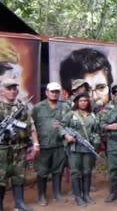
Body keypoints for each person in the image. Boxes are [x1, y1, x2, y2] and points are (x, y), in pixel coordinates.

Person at [0, 78, 40, 211]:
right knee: (1, 176)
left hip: (20, 147)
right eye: (9, 88)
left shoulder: (21, 106)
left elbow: (31, 125)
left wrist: (36, 144)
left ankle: (19, 202)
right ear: (2, 91)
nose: (12, 91)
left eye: (14, 88)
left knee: (19, 175)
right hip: (2, 149)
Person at [32, 82, 71, 206]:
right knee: (42, 171)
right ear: (46, 92)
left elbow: (70, 123)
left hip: (60, 144)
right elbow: (32, 126)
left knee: (58, 170)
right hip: (44, 145)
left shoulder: (65, 107)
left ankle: (57, 193)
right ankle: (41, 196)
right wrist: (35, 143)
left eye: (56, 92)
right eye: (52, 91)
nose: (54, 94)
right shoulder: (38, 107)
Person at [60, 93, 100, 207]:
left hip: (88, 148)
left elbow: (96, 130)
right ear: (77, 102)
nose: (83, 103)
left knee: (87, 171)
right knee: (76, 172)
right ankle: (78, 197)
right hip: (75, 148)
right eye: (81, 101)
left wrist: (96, 140)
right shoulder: (70, 114)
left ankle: (86, 195)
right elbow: (61, 127)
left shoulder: (92, 115)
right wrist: (66, 136)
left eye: (85, 101)